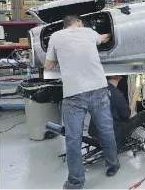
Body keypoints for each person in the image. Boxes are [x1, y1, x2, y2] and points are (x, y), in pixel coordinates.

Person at [44, 15, 119, 189]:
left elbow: (48, 66)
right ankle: (113, 164)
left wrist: (61, 57)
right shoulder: (89, 32)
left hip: (74, 93)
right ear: (78, 23)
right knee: (106, 131)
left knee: (73, 140)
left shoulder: (56, 36)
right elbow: (105, 38)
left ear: (65, 25)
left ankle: (76, 182)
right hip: (98, 89)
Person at [88, 75, 145, 147]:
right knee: (144, 114)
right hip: (113, 137)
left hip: (94, 134)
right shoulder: (117, 95)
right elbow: (128, 115)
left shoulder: (98, 90)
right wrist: (135, 96)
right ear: (118, 76)